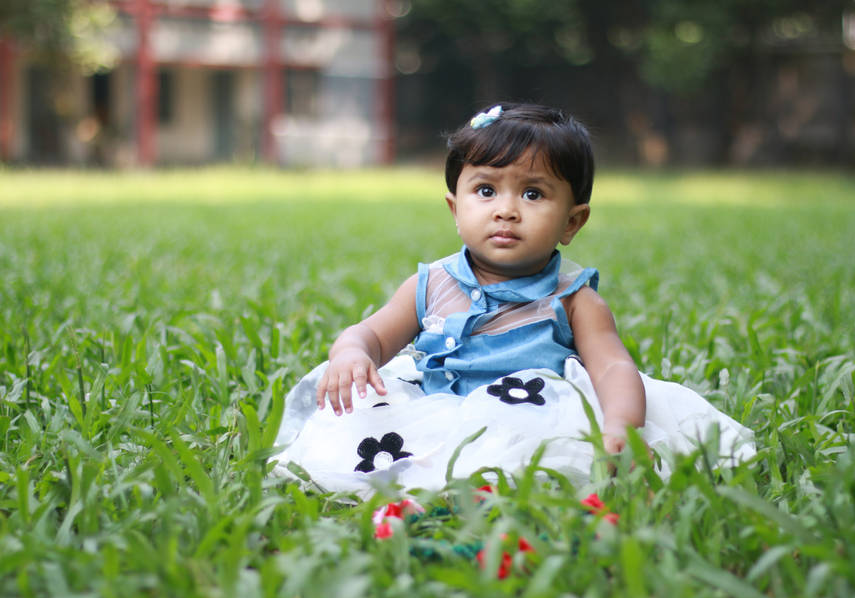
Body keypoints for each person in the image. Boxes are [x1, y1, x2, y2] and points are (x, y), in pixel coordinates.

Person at [271, 103, 755, 492]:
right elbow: (373, 334)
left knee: (541, 457)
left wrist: (622, 426)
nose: (506, 210)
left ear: (572, 222)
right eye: (485, 190)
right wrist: (352, 352)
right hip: (438, 411)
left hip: (535, 414)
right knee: (368, 434)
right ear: (455, 209)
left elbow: (612, 367)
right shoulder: (431, 284)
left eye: (533, 195)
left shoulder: (572, 297)